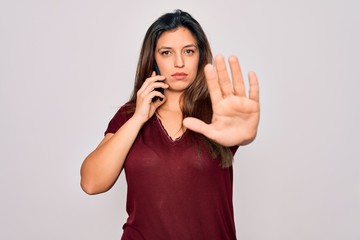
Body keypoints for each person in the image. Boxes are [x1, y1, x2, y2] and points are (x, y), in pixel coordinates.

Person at [80, 9, 260, 240]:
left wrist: (246, 135)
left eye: (189, 51)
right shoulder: (130, 115)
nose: (179, 62)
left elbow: (239, 134)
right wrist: (138, 118)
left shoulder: (220, 112)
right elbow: (92, 182)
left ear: (200, 56)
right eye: (166, 52)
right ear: (153, 59)